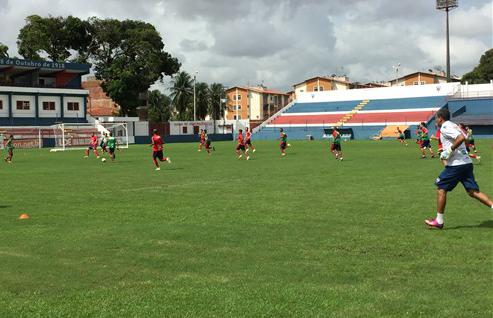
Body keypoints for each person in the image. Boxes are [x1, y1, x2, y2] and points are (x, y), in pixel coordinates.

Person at [425, 108, 493, 229]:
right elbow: (465, 136)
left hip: (457, 165)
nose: (436, 120)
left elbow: (461, 138)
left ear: (440, 118)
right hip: (466, 163)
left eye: (436, 118)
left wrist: (449, 151)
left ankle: (439, 221)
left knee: (441, 188)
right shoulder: (454, 125)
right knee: (473, 192)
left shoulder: (445, 126)